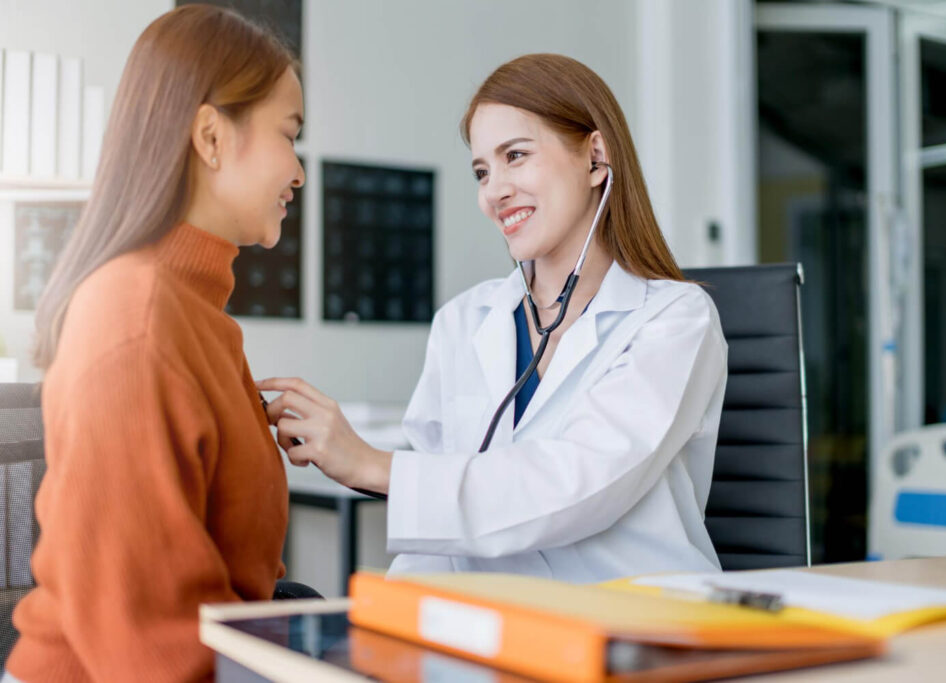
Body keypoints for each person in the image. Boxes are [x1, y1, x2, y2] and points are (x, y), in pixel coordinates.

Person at [259, 53, 727, 583]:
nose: (494, 191)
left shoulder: (673, 321)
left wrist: (370, 463)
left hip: (635, 628)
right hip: (497, 630)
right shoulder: (463, 322)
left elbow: (576, 486)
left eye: (516, 155)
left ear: (596, 158)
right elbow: (438, 535)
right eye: (483, 170)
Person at [6, 5, 304, 681]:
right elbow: (150, 650)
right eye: (290, 135)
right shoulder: (133, 314)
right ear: (210, 135)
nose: (299, 171)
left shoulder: (195, 310)